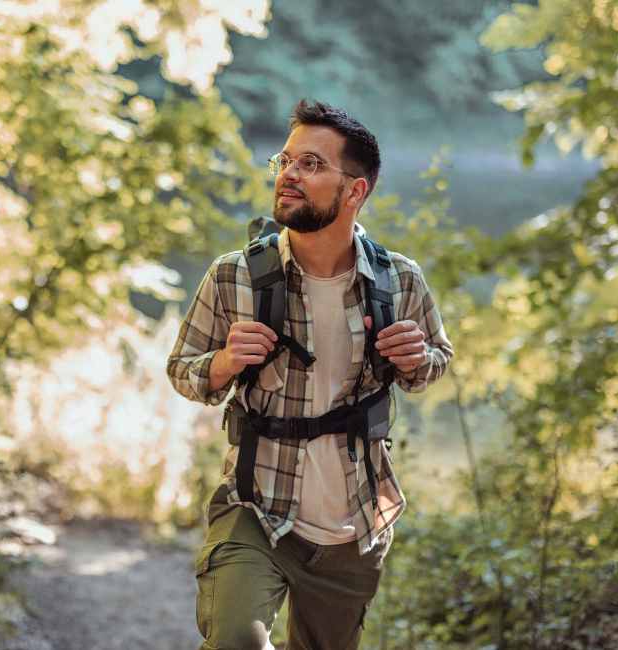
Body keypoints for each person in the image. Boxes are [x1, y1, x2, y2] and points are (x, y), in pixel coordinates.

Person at [166, 99, 454, 650]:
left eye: (313, 164)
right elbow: (182, 370)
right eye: (287, 160)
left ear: (355, 191)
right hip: (255, 506)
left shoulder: (399, 280)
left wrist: (417, 358)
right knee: (236, 641)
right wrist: (226, 361)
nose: (289, 174)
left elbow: (435, 360)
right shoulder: (235, 276)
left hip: (355, 525)